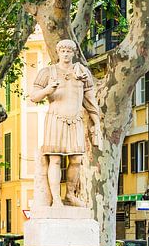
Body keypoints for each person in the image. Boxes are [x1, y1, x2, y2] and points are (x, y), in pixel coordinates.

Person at [30, 39, 102, 207]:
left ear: (74, 53)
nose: (66, 54)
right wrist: (48, 90)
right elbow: (33, 96)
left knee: (76, 159)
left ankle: (69, 195)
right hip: (55, 119)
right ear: (58, 52)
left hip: (76, 120)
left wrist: (96, 122)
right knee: (55, 160)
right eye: (63, 51)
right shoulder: (48, 72)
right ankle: (56, 199)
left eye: (69, 51)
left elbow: (90, 100)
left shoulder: (82, 72)